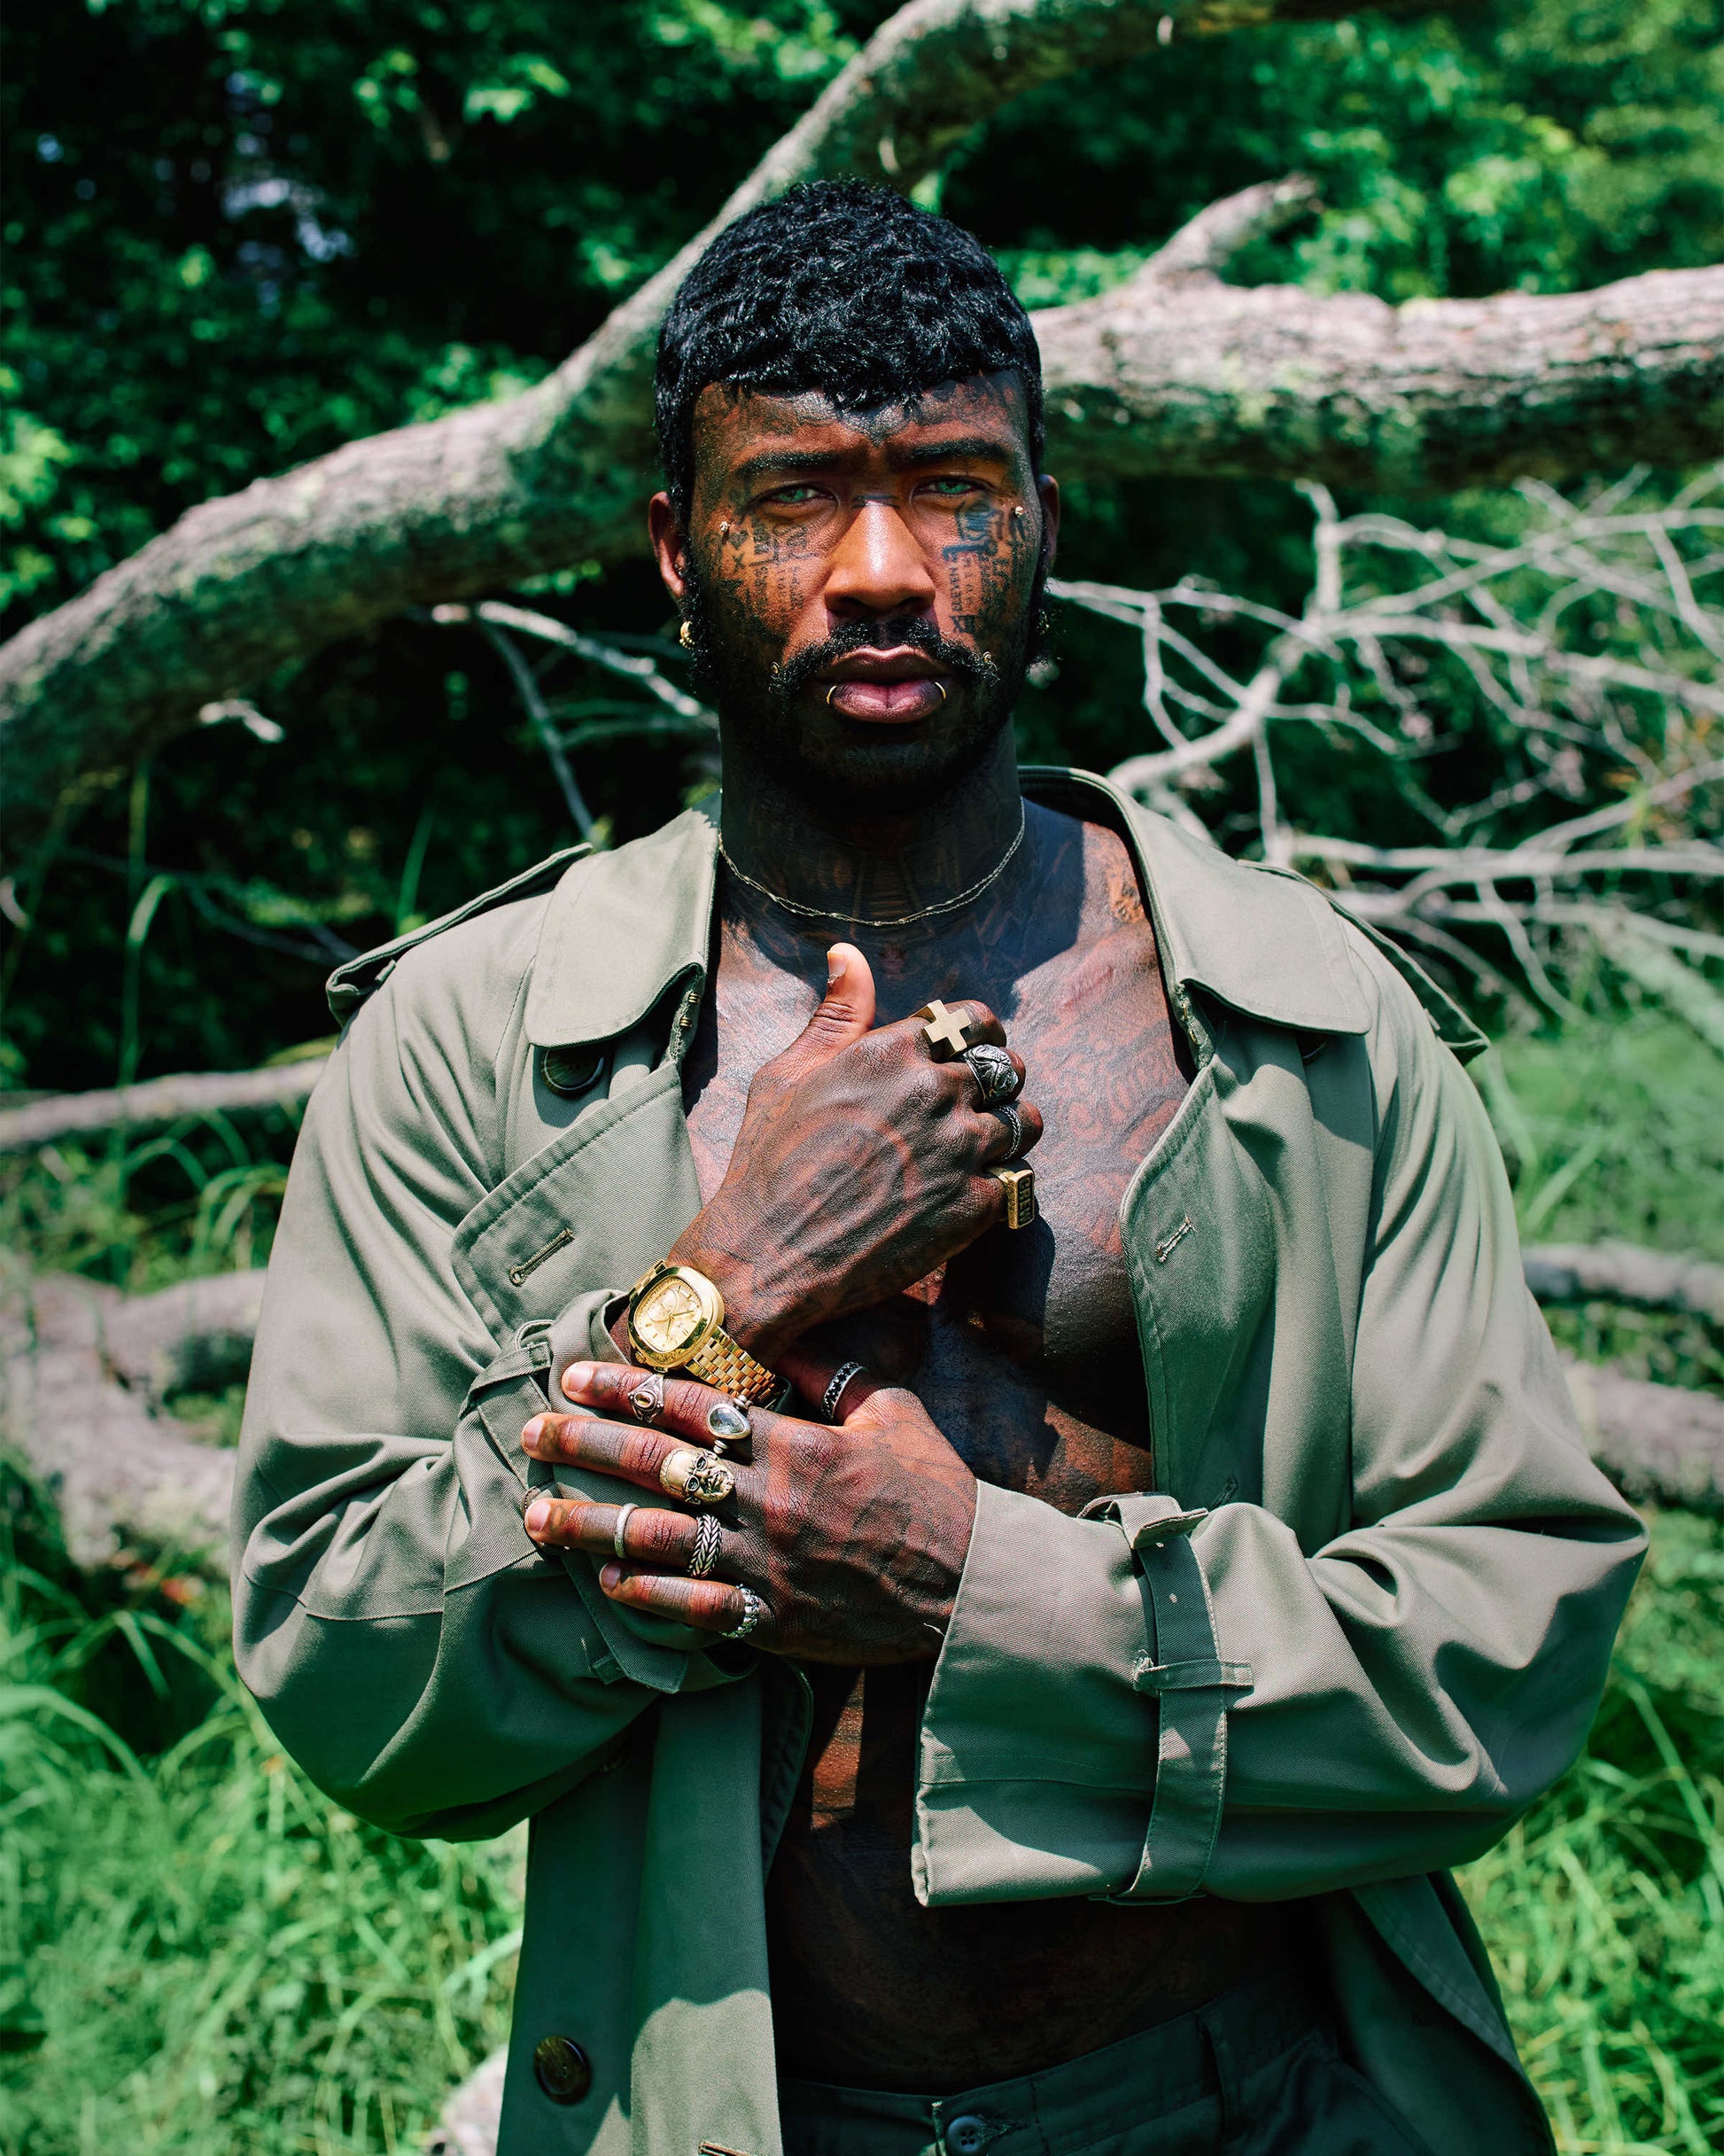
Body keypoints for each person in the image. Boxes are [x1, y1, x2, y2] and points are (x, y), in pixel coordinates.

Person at [233, 182, 1645, 2156]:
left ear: (1044, 518)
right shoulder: (480, 1042)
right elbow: (342, 1669)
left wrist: (970, 1581)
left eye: (957, 487)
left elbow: (1508, 1643)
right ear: (676, 546)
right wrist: (722, 1296)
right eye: (794, 494)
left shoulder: (1307, 1025)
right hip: (726, 2109)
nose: (885, 567)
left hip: (1243, 2103)